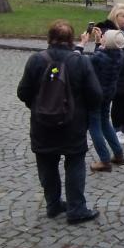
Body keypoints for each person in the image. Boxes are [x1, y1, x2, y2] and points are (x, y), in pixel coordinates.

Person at [16, 20, 103, 224]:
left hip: (42, 123)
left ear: (49, 37)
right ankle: (76, 208)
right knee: (75, 163)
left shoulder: (36, 60)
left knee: (47, 164)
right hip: (73, 123)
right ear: (71, 39)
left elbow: (23, 92)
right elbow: (96, 95)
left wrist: (38, 106)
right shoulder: (80, 62)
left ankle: (53, 205)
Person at [78, 27, 124, 172]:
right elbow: (102, 55)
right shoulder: (120, 54)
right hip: (109, 93)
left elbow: (84, 63)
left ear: (108, 42)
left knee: (94, 126)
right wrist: (99, 42)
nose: (102, 36)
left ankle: (104, 160)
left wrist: (82, 44)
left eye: (105, 36)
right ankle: (118, 154)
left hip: (96, 94)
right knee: (105, 122)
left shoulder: (100, 57)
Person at [95, 4, 124, 144]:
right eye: (123, 16)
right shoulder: (109, 31)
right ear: (115, 16)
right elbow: (101, 50)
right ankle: (117, 130)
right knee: (117, 103)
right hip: (116, 73)